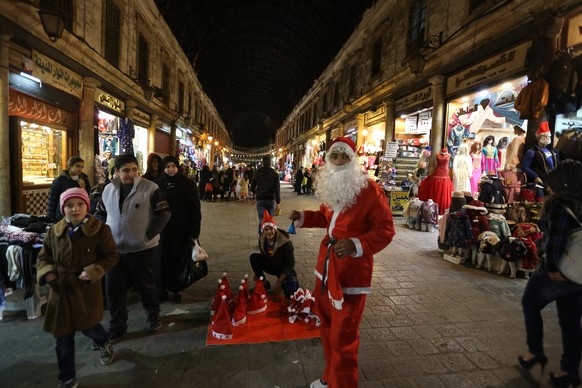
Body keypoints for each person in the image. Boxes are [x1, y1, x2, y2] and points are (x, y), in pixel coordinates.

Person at [289, 137, 395, 388]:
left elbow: (386, 230)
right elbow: (328, 219)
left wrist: (357, 245)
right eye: (334, 157)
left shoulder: (370, 190)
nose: (338, 161)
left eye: (343, 157)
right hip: (325, 271)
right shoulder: (333, 188)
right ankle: (330, 378)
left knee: (343, 337)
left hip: (350, 276)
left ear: (353, 159)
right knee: (326, 329)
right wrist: (303, 217)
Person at [37, 188, 119, 388]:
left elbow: (111, 256)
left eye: (80, 204)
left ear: (87, 206)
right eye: (69, 205)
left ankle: (104, 341)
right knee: (63, 339)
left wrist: (92, 271)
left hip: (85, 290)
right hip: (60, 290)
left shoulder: (100, 230)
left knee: (90, 327)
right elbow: (44, 257)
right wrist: (48, 272)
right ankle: (67, 378)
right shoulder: (54, 231)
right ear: (62, 207)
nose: (75, 209)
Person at [94, 153, 171, 341]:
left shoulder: (150, 188)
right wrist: (104, 234)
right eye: (126, 170)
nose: (132, 174)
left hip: (142, 249)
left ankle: (153, 314)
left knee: (146, 285)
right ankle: (118, 325)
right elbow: (99, 213)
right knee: (113, 289)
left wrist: (147, 235)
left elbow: (164, 214)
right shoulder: (108, 190)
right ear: (117, 172)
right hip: (114, 250)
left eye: (134, 169)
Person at [519, 160, 582, 387]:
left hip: (558, 271)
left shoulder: (559, 205)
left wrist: (553, 269)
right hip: (579, 274)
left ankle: (535, 352)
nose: (549, 187)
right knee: (571, 323)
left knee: (530, 303)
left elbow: (556, 239)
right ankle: (570, 371)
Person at [155, 156, 201, 303]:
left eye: (173, 166)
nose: (171, 169)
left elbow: (195, 208)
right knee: (162, 259)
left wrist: (195, 230)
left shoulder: (187, 184)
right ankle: (162, 289)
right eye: (167, 166)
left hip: (181, 229)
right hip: (162, 229)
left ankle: (177, 289)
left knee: (178, 259)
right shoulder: (157, 184)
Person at [249, 210, 299, 299]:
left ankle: (285, 283)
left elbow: (290, 264)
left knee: (292, 295)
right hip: (272, 265)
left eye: (271, 229)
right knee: (254, 257)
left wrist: (279, 282)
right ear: (263, 231)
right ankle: (264, 283)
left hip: (284, 268)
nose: (268, 232)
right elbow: (263, 254)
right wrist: (258, 274)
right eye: (266, 229)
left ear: (275, 229)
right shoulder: (262, 239)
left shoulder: (285, 243)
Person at [521, 121, 559, 201]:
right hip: (540, 183)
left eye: (548, 136)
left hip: (553, 182)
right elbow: (524, 167)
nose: (547, 138)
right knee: (540, 204)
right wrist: (535, 176)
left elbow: (557, 165)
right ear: (539, 137)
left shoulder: (553, 151)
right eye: (545, 136)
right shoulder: (532, 152)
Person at [47, 156, 91, 221]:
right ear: (70, 166)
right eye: (77, 166)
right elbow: (53, 199)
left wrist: (83, 188)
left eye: (82, 167)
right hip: (63, 214)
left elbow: (88, 196)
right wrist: (50, 217)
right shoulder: (60, 180)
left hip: (79, 213)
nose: (80, 169)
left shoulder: (84, 179)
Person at [418, 148, 454, 215]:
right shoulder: (437, 154)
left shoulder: (449, 155)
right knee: (436, 190)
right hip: (437, 171)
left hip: (445, 173)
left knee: (443, 190)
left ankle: (442, 208)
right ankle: (434, 208)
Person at [251, 156, 281, 235]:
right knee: (269, 220)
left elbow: (252, 185)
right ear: (270, 163)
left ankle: (261, 237)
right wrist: (278, 201)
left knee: (261, 219)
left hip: (260, 199)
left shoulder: (258, 172)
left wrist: (255, 193)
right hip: (270, 199)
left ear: (263, 163)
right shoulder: (274, 174)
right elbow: (277, 188)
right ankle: (269, 238)